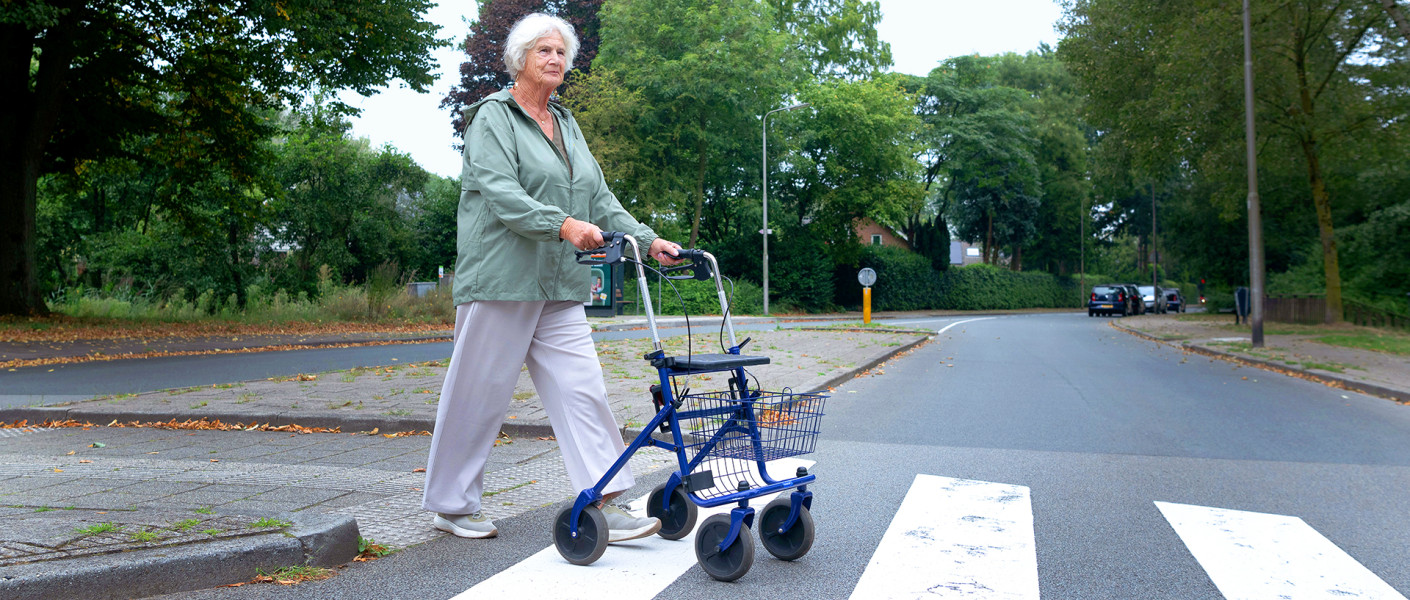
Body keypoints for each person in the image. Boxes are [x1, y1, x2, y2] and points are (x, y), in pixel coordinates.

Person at [421, 13, 684, 542]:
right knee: (480, 394)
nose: (556, 60)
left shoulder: (566, 123)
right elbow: (501, 194)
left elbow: (599, 197)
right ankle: (451, 505)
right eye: (544, 50)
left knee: (584, 389)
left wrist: (646, 237)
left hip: (559, 284)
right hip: (502, 280)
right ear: (521, 59)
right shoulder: (492, 117)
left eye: (562, 52)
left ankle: (605, 497)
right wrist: (562, 225)